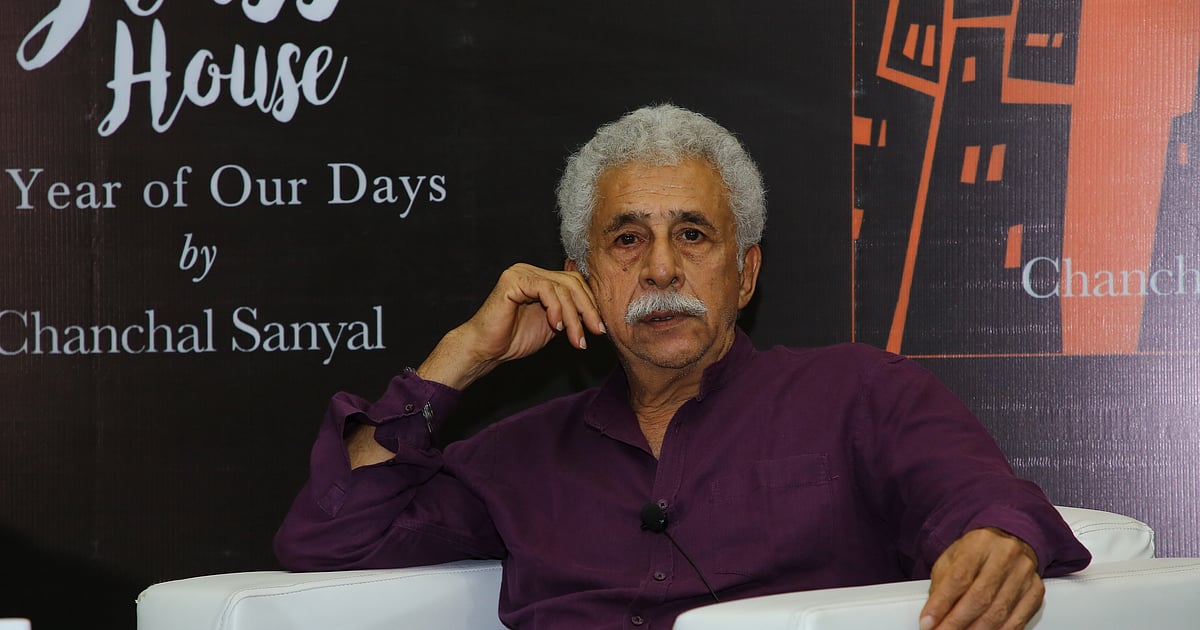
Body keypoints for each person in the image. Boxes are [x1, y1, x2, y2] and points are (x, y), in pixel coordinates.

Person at [275, 104, 1091, 629]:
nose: (661, 268)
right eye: (627, 239)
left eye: (692, 236)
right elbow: (332, 540)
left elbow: (979, 501)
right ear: (582, 276)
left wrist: (995, 539)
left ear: (745, 273)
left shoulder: (860, 393)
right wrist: (460, 357)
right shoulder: (518, 457)